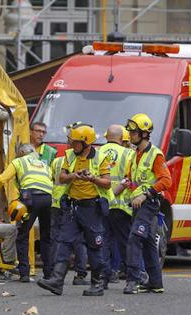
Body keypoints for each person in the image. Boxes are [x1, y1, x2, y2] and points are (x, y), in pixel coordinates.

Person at [37, 122, 113, 296]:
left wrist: (92, 179)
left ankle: (97, 284)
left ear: (86, 143)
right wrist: (74, 176)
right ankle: (56, 281)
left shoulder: (100, 157)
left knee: (95, 245)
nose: (72, 145)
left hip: (92, 208)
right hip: (73, 207)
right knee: (64, 242)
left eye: (76, 142)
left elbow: (107, 183)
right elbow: (62, 177)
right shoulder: (69, 155)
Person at [0, 144, 54, 282]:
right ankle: (49, 273)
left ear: (21, 152)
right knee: (46, 237)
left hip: (30, 199)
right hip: (47, 199)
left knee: (23, 235)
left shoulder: (19, 161)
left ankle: (24, 273)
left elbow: (2, 179)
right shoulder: (44, 165)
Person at [122, 113, 171, 295]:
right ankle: (155, 283)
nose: (130, 135)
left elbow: (166, 181)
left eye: (133, 132)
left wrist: (145, 195)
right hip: (137, 204)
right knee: (149, 241)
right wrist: (126, 184)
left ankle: (132, 281)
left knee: (135, 238)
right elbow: (134, 179)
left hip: (148, 203)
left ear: (144, 133)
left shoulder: (155, 155)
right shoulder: (136, 154)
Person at [99, 124, 135, 282]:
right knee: (125, 241)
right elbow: (130, 178)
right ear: (122, 138)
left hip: (100, 203)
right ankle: (130, 273)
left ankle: (104, 274)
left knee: (103, 241)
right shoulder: (128, 154)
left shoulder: (96, 153)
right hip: (120, 205)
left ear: (106, 137)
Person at [50, 155, 90, 285]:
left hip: (56, 202)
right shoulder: (80, 161)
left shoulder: (57, 161)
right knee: (79, 240)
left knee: (58, 239)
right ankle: (80, 274)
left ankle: (53, 272)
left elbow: (52, 179)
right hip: (71, 202)